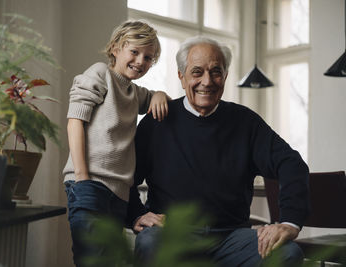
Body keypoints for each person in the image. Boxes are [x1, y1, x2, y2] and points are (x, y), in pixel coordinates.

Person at [126, 36, 310, 267]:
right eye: (197, 72)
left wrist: (289, 223)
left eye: (216, 72)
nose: (207, 81)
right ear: (181, 77)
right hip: (172, 233)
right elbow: (126, 176)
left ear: (225, 76)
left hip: (232, 237)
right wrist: (136, 214)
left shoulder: (246, 122)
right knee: (149, 242)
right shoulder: (157, 121)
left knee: (288, 254)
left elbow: (291, 164)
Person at [62, 20, 170, 267]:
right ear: (115, 48)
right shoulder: (100, 73)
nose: (141, 61)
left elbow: (157, 99)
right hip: (90, 184)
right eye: (134, 52)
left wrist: (160, 94)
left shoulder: (134, 92)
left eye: (148, 57)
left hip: (119, 193)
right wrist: (82, 177)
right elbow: (74, 121)